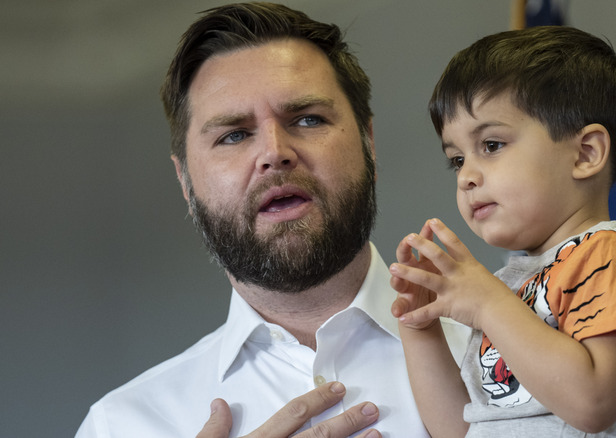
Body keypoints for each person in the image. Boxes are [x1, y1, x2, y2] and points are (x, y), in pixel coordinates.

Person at [74, 3, 469, 437]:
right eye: (234, 135)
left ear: (368, 144)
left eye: (307, 118)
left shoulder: (513, 357)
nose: (274, 152)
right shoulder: (121, 425)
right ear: (185, 182)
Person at [389, 26, 616, 437]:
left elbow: (593, 404)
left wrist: (488, 303)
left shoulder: (611, 254)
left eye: (490, 145)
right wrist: (420, 328)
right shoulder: (507, 284)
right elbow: (461, 429)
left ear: (585, 153)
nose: (466, 176)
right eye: (456, 160)